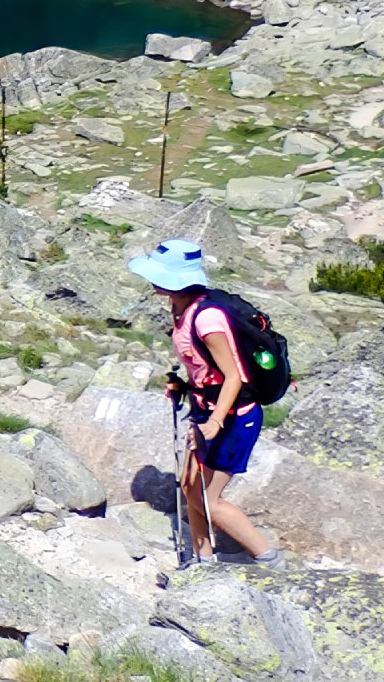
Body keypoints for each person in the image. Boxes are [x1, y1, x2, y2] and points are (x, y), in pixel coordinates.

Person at [128, 239, 285, 570]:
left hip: (232, 418)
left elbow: (234, 377)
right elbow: (206, 369)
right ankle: (202, 560)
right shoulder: (181, 306)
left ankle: (269, 559)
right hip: (206, 410)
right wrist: (185, 387)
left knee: (207, 500)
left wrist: (213, 423)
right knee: (189, 487)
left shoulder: (207, 319)